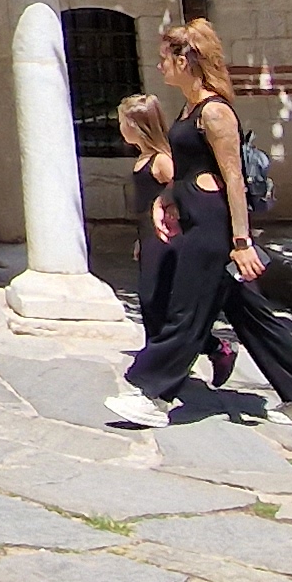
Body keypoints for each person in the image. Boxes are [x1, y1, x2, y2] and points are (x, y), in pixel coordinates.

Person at [106, 20, 292, 428]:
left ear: (184, 61)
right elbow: (188, 171)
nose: (160, 66)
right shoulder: (188, 109)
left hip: (213, 226)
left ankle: (152, 393)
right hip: (194, 217)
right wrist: (166, 200)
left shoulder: (214, 112)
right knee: (253, 317)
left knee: (186, 310)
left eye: (165, 59)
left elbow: (233, 179)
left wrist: (241, 242)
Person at [116, 95, 235, 393]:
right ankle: (161, 361)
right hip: (149, 236)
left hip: (166, 241)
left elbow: (180, 194)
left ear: (136, 125)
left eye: (122, 122)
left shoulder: (162, 161)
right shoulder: (143, 158)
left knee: (160, 302)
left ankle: (207, 351)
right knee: (150, 301)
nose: (120, 128)